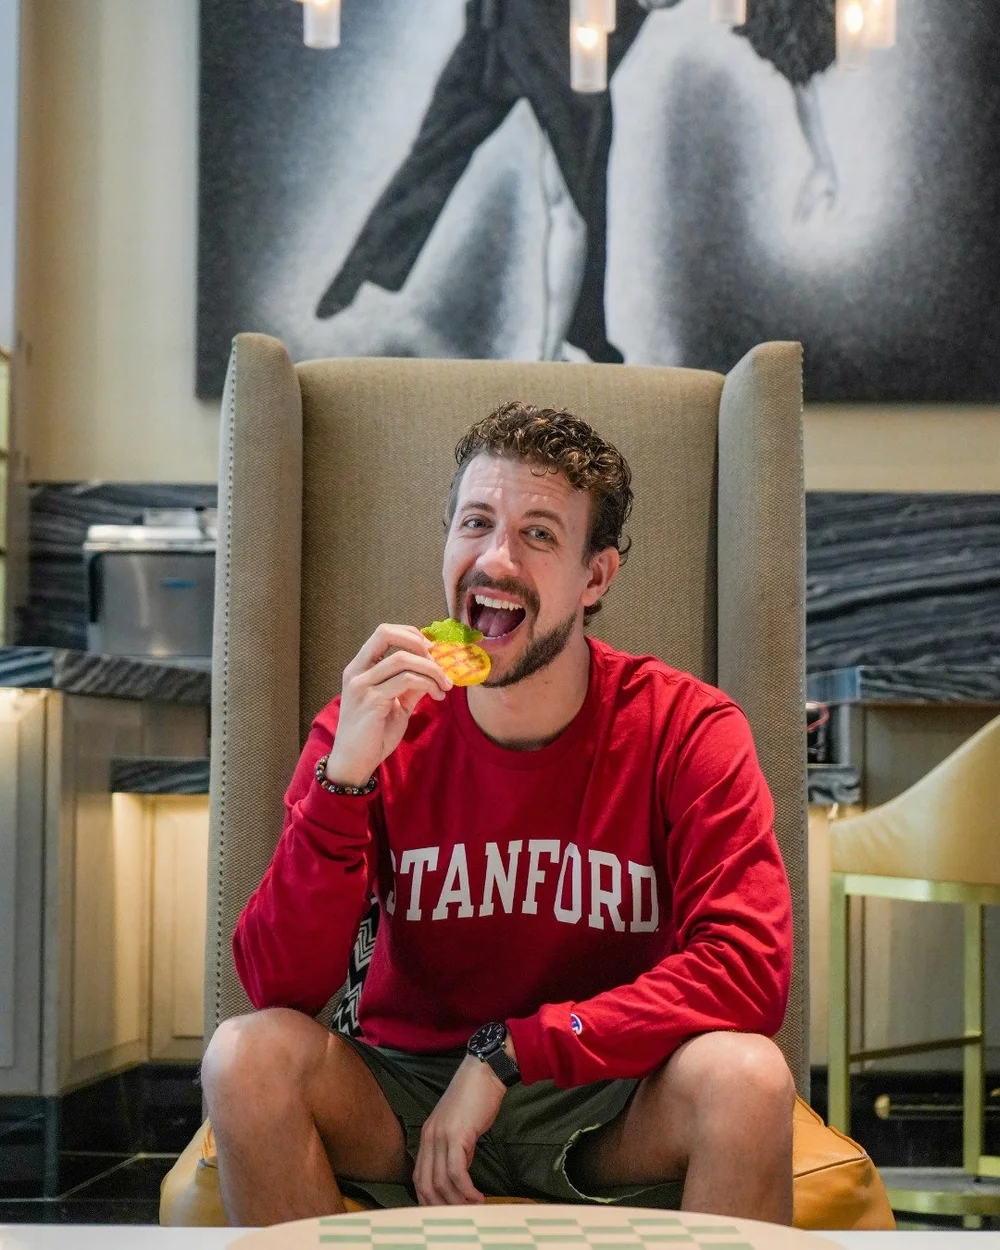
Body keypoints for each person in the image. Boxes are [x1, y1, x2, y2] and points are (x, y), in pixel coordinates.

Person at [201, 402, 797, 1227]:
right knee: (244, 1055)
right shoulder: (368, 726)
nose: (495, 559)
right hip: (400, 1091)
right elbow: (276, 986)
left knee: (750, 1076)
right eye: (475, 523)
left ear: (596, 578)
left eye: (540, 535)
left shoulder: (686, 729)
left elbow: (746, 969)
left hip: (608, 1100)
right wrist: (343, 783)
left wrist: (511, 1049)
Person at [314, 0, 837, 363]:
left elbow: (785, 34)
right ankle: (560, 341)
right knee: (556, 192)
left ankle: (561, 342)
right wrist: (822, 158)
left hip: (555, 50)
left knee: (567, 197)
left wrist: (823, 157)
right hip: (520, 35)